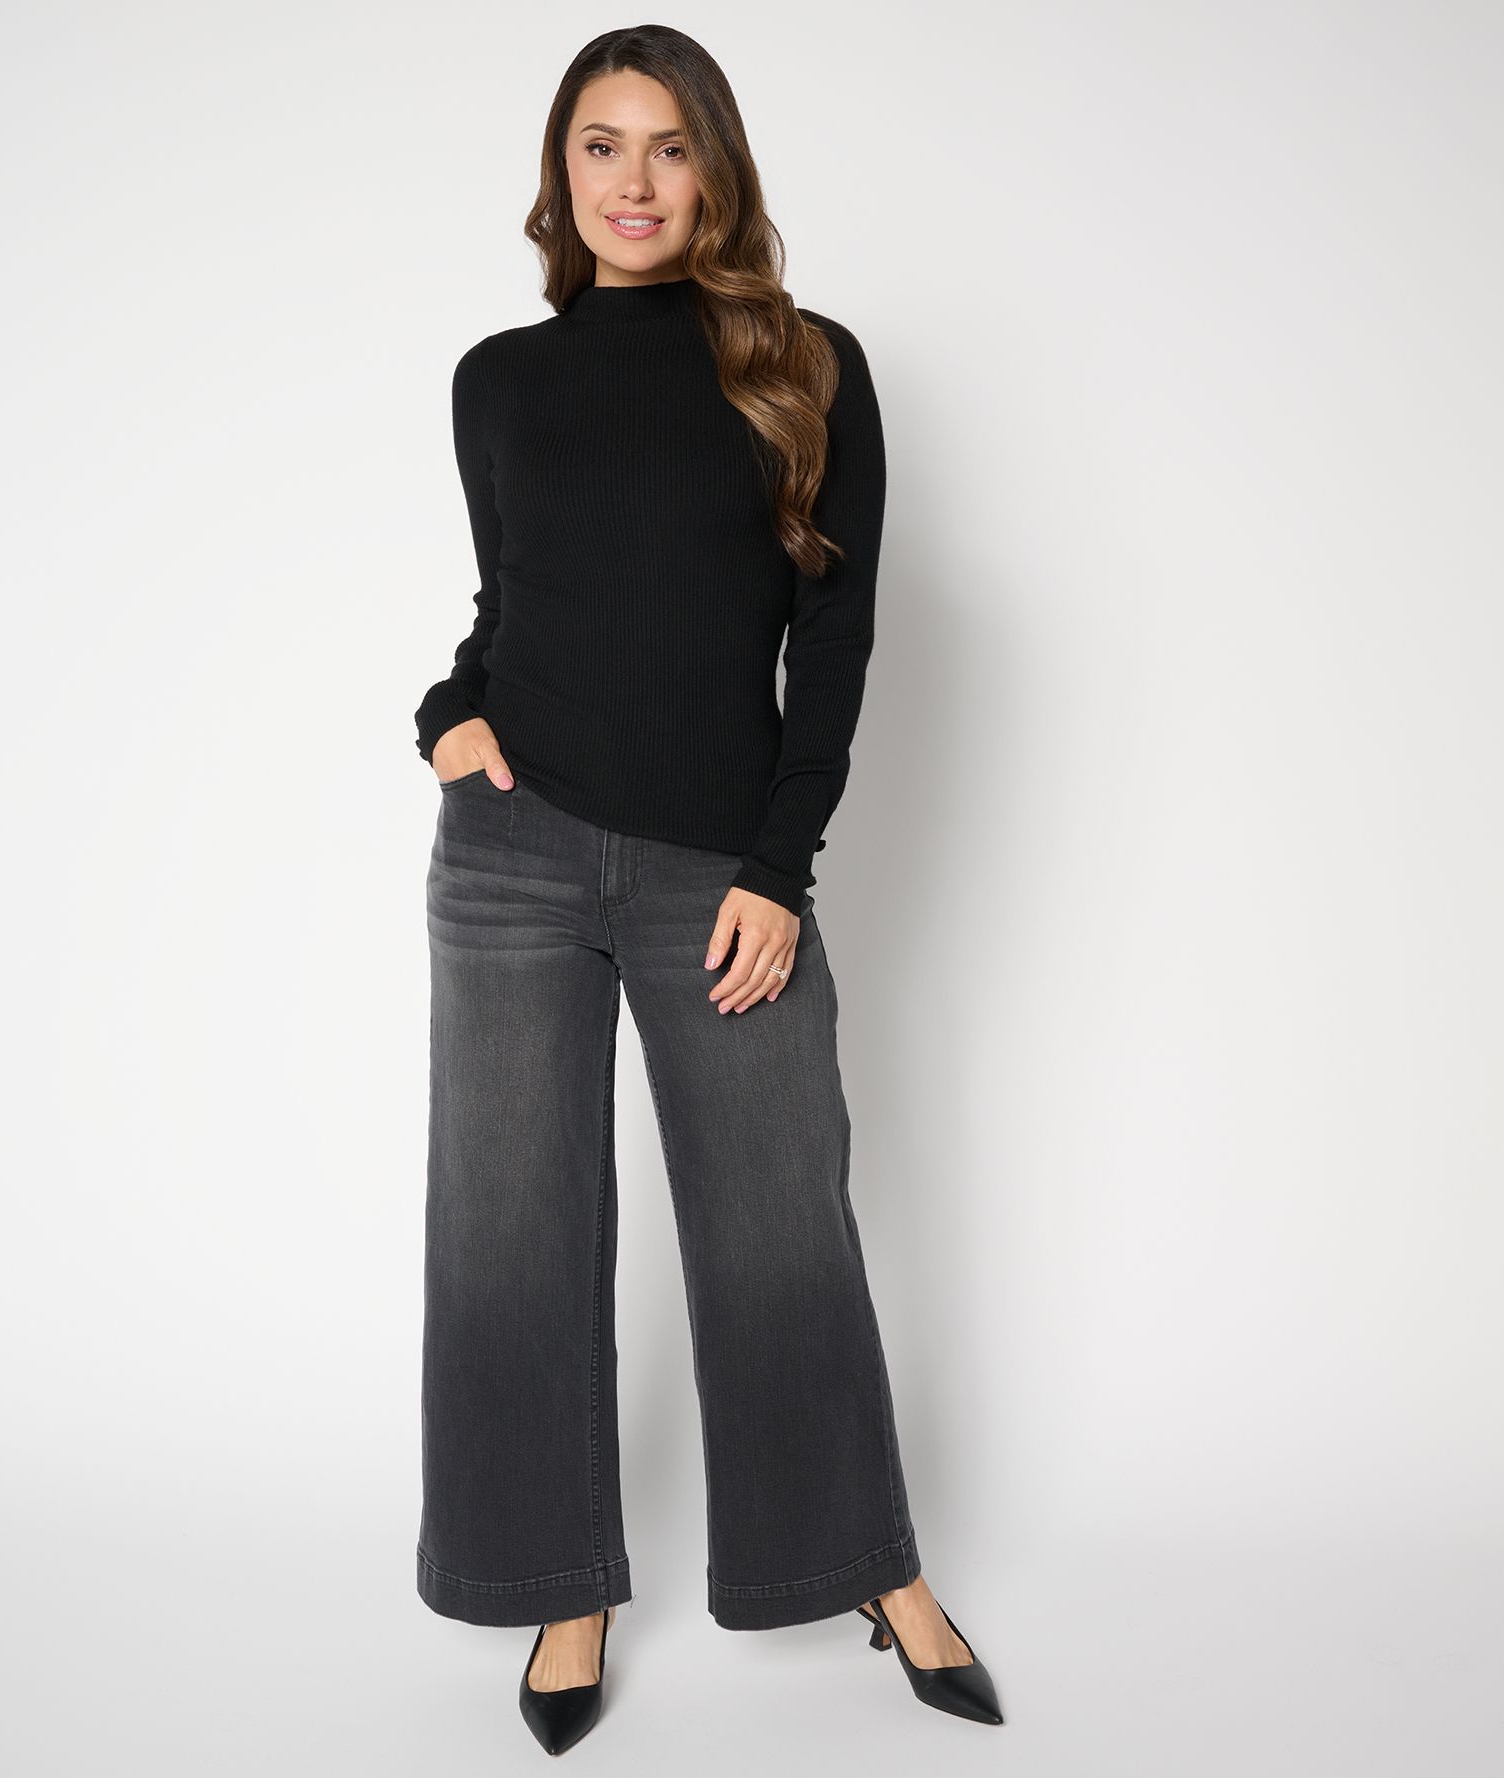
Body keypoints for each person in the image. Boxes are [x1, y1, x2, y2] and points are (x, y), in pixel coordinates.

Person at [410, 26, 1003, 1754]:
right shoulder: (497, 381)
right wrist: (447, 714)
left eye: (669, 146)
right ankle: (562, 1586)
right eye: (601, 145)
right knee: (509, 1231)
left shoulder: (805, 365)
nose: (635, 180)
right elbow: (516, 607)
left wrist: (778, 869)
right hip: (510, 857)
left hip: (716, 875)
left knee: (776, 1225)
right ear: (562, 172)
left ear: (716, 169)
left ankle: (875, 1569)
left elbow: (837, 632)